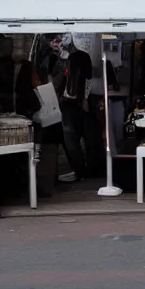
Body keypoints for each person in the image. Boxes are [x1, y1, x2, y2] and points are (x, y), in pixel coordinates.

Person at [58, 37, 93, 182]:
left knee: (73, 135)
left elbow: (88, 78)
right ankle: (77, 169)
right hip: (61, 100)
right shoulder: (55, 58)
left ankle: (80, 170)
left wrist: (84, 98)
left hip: (74, 101)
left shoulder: (82, 57)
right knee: (67, 135)